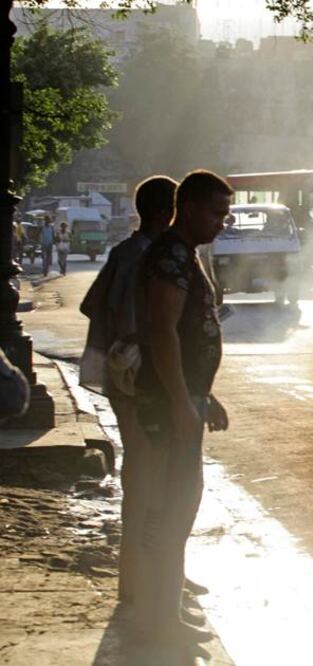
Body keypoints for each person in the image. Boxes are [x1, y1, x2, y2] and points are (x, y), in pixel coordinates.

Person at [80, 176, 193, 616]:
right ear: (168, 213)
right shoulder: (153, 258)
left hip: (122, 373)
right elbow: (153, 327)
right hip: (142, 377)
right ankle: (150, 580)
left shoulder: (124, 252)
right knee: (152, 479)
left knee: (141, 475)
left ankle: (138, 576)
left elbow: (92, 305)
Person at [135, 170, 232, 645]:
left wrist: (202, 395)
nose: (221, 223)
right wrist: (179, 400)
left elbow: (188, 336)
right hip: (169, 402)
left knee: (178, 507)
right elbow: (162, 331)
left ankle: (166, 610)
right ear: (188, 207)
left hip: (185, 396)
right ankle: (160, 620)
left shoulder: (184, 254)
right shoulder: (171, 255)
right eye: (215, 213)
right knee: (174, 508)